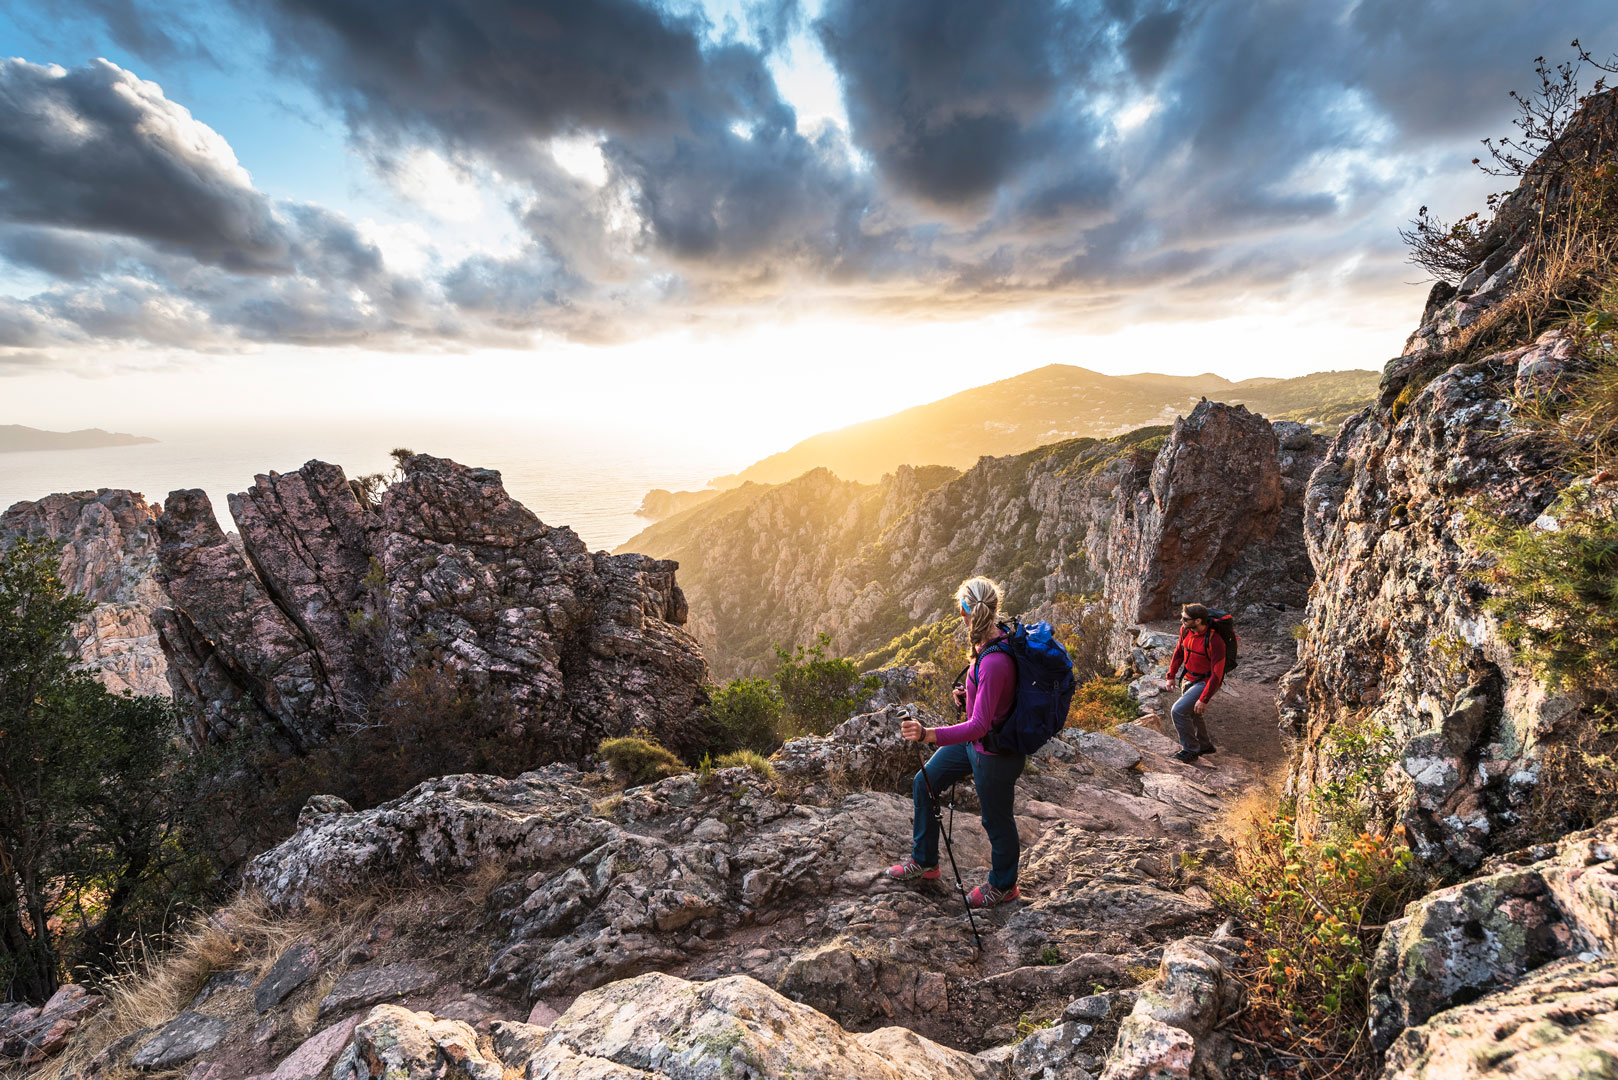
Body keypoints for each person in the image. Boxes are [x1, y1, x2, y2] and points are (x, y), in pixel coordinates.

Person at [887, 576, 1026, 908]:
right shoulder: (989, 643)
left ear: (966, 610)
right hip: (976, 745)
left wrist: (928, 734)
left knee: (996, 819)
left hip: (994, 753)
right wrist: (966, 697)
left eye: (959, 608)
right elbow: (987, 707)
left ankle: (1004, 885)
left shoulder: (994, 659)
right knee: (925, 783)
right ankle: (926, 862)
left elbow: (978, 725)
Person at [1165, 602, 1226, 763]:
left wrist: (1204, 698)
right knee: (1191, 713)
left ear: (1198, 621)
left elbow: (1217, 674)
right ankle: (1204, 745)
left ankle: (1190, 750)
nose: (1181, 621)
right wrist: (1171, 676)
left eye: (1185, 619)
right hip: (1188, 679)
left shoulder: (1215, 641)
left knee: (1178, 710)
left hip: (1206, 682)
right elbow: (1179, 652)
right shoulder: (1186, 631)